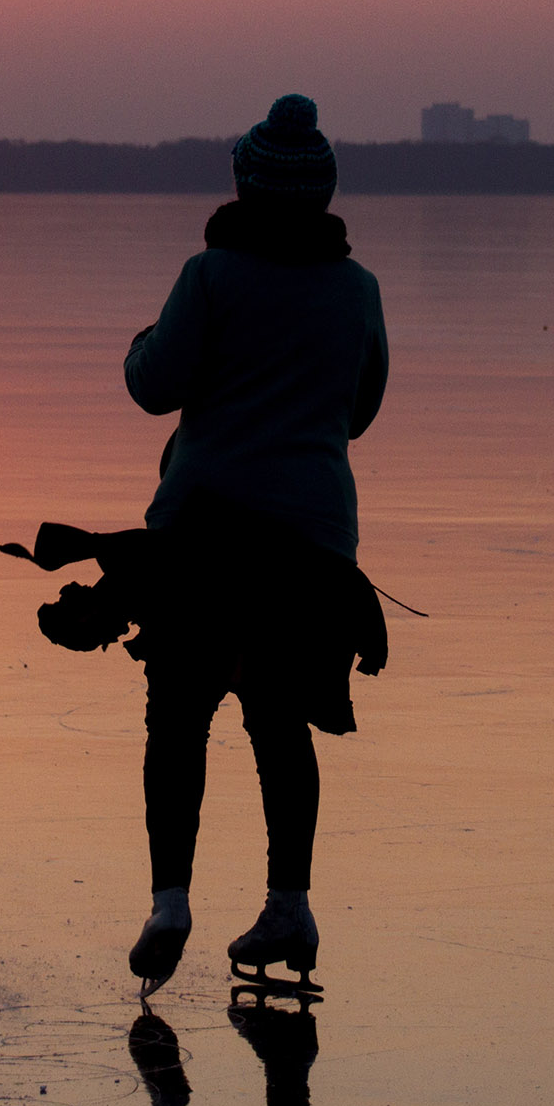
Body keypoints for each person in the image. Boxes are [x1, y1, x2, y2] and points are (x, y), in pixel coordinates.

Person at [119, 93, 391, 997]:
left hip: (201, 535)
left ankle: (168, 904)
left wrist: (141, 347)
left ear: (244, 183)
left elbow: (156, 386)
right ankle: (290, 904)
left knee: (178, 718)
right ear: (322, 198)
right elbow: (358, 411)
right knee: (279, 722)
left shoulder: (212, 274)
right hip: (310, 542)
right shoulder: (357, 291)